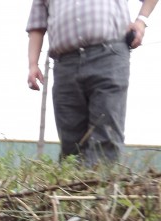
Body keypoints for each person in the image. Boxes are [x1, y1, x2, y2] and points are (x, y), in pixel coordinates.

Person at [26, 0, 158, 165]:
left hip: (109, 55)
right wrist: (33, 64)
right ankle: (74, 187)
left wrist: (141, 21)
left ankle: (102, 185)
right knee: (71, 142)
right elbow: (37, 25)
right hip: (65, 63)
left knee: (106, 133)